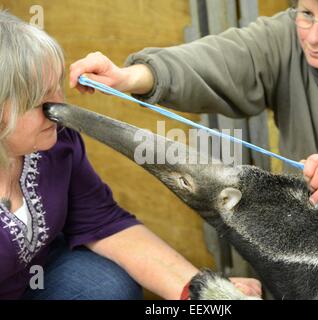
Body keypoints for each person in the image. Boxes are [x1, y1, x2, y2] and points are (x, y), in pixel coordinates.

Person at [0, 11, 261, 300]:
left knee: (109, 286)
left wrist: (205, 293)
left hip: (39, 273)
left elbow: (104, 223)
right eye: (41, 101)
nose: (59, 108)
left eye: (57, 89)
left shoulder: (57, 142)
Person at [70, 0, 318, 207]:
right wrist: (130, 77)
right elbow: (220, 59)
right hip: (313, 230)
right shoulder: (284, 37)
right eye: (306, 13)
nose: (312, 37)